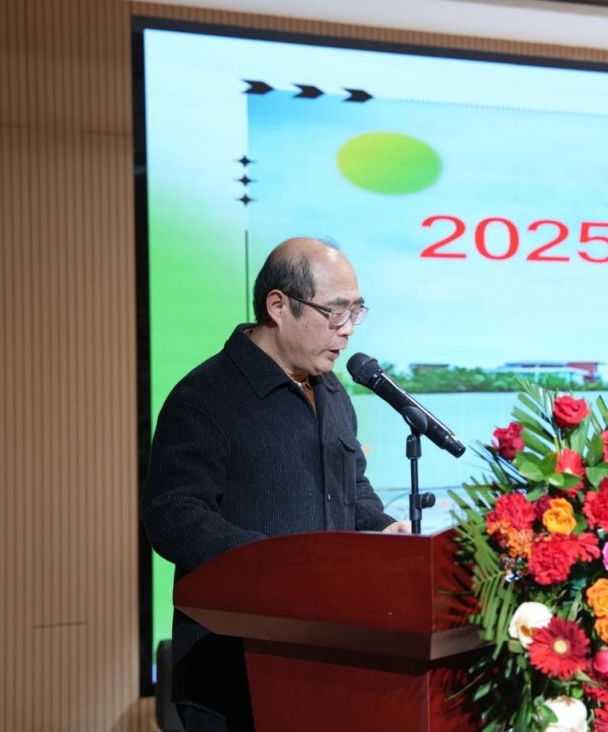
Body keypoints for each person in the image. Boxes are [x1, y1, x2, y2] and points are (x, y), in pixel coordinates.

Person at [142, 237, 410, 732]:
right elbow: (172, 516)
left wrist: (383, 530)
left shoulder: (332, 390)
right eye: (335, 312)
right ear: (278, 306)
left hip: (324, 663)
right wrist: (277, 566)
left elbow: (353, 490)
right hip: (231, 672)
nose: (348, 329)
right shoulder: (203, 396)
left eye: (356, 312)